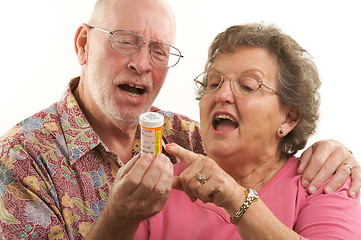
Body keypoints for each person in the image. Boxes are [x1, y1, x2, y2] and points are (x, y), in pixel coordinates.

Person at [0, 0, 359, 239]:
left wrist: (334, 148)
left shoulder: (185, 138)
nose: (142, 64)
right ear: (83, 44)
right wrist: (120, 217)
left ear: (290, 116)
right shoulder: (19, 160)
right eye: (126, 41)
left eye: (158, 51)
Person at [134, 23, 361, 239]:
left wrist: (237, 199)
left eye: (248, 86)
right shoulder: (162, 183)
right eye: (213, 84)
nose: (221, 95)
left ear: (289, 118)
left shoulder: (322, 181)